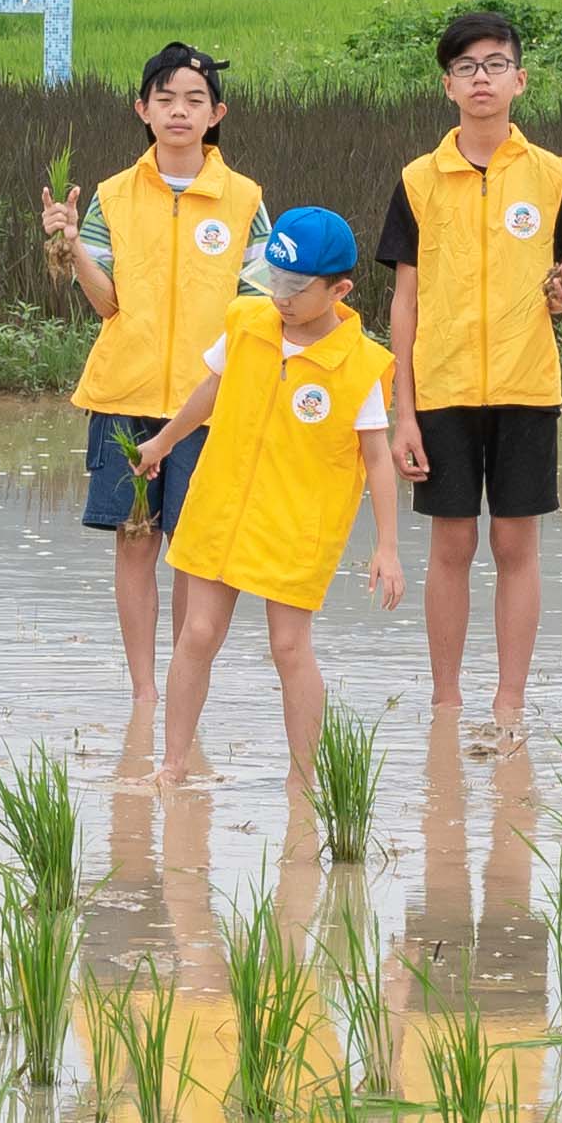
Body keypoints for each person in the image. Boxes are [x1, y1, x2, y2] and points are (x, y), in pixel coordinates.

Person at [375, 4, 562, 746]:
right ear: (447, 86)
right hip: (438, 389)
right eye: (466, 68)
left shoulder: (553, 175)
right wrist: (401, 412)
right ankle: (446, 702)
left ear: (519, 80)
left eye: (494, 65)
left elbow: (558, 288)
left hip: (525, 386)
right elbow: (402, 303)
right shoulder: (416, 180)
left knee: (515, 546)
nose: (481, 79)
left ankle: (508, 701)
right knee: (450, 547)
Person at [133, 207, 405, 792]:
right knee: (198, 633)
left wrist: (387, 546)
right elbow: (212, 389)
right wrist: (162, 440)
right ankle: (174, 764)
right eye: (273, 281)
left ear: (340, 289)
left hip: (296, 524)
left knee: (288, 646)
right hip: (221, 506)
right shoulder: (247, 321)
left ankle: (303, 780)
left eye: (296, 288)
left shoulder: (361, 366)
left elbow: (378, 458)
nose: (280, 298)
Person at [41, 41, 265, 719]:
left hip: (208, 401)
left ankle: (180, 686)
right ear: (141, 108)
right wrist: (71, 242)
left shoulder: (245, 200)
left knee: (192, 551)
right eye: (164, 98)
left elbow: (256, 309)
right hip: (124, 395)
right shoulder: (110, 195)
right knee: (134, 541)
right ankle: (142, 691)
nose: (178, 110)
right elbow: (105, 303)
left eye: (193, 100)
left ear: (215, 113)